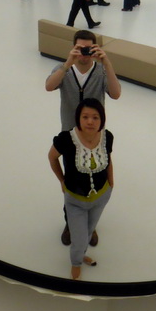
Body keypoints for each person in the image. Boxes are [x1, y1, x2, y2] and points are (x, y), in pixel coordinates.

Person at [45, 29, 121, 245]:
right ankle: (71, 222)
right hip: (70, 134)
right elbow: (49, 86)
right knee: (72, 181)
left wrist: (107, 63)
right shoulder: (64, 69)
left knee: (96, 175)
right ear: (74, 47)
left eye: (89, 48)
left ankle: (91, 226)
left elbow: (116, 94)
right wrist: (68, 63)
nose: (85, 53)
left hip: (95, 135)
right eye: (80, 48)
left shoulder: (101, 71)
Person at [48, 98, 114, 280]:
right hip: (75, 201)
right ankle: (76, 262)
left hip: (101, 197)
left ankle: (81, 254)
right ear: (78, 118)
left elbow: (108, 158)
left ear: (102, 119)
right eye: (85, 117)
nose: (90, 121)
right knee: (78, 238)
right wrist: (62, 180)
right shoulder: (66, 140)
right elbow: (52, 157)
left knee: (89, 229)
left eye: (95, 117)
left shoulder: (107, 137)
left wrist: (111, 181)